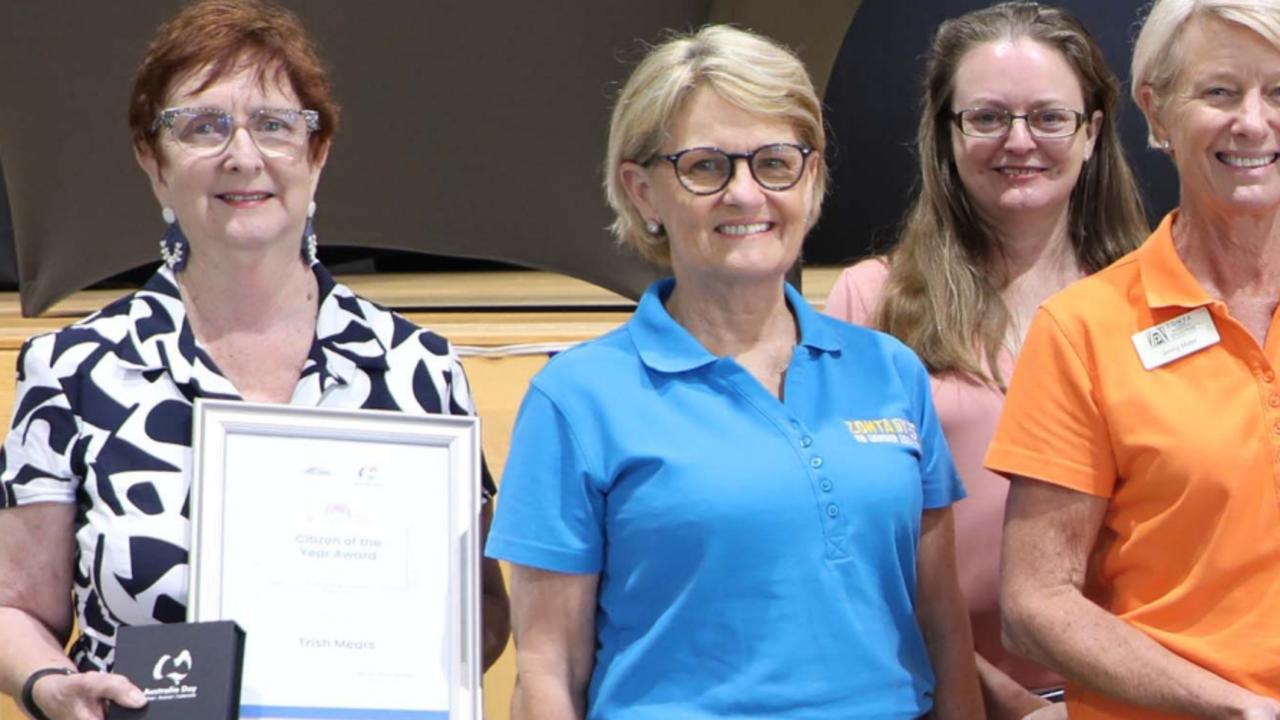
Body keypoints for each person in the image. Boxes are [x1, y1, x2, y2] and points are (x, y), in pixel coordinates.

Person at [0, 2, 510, 718]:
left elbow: (482, 615)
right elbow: (15, 608)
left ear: (317, 153)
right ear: (153, 161)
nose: (242, 155)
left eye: (273, 124)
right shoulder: (75, 370)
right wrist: (48, 686)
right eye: (203, 126)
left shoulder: (418, 370)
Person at [485, 24, 984, 720]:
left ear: (810, 177)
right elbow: (547, 667)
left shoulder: (889, 371)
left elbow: (941, 628)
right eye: (706, 166)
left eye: (775, 162)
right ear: (642, 192)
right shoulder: (578, 399)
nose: (746, 194)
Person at [822, 3, 1148, 717]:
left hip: (1135, 700)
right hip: (935, 695)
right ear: (945, 135)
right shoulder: (870, 306)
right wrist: (1002, 701)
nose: (1020, 141)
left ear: (1093, 132)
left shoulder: (1157, 304)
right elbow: (840, 546)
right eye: (988, 117)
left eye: (1049, 117)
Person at [988, 0, 1280, 717]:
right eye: (1219, 91)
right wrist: (1235, 709)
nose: (1253, 121)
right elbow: (1035, 601)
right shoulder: (1084, 330)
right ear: (1156, 112)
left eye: (1279, 91)